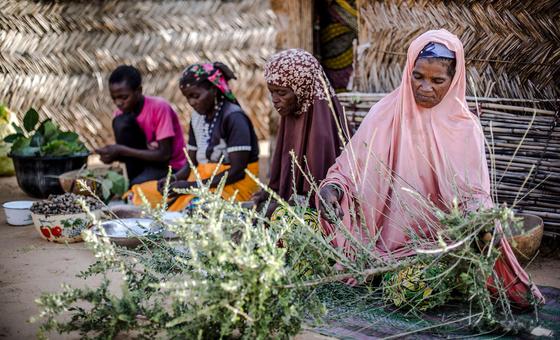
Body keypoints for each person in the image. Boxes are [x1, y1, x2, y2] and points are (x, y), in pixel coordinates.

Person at [317, 29, 543, 306]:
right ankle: (377, 270)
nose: (425, 87)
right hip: (374, 245)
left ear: (454, 80)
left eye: (438, 80)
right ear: (408, 70)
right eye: (418, 76)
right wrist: (331, 189)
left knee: (408, 289)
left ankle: (407, 277)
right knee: (290, 221)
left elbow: (474, 197)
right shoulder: (384, 114)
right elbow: (348, 169)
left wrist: (481, 223)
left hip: (436, 248)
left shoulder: (465, 129)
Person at [128, 62, 260, 211]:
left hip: (232, 185)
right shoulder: (197, 118)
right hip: (201, 182)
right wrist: (174, 179)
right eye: (188, 97)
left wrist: (190, 187)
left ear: (213, 89)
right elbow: (191, 165)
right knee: (138, 194)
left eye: (196, 96)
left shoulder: (234, 117)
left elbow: (237, 172)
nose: (191, 102)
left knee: (195, 207)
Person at [251, 49, 347, 215]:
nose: (274, 99)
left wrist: (280, 208)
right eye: (271, 91)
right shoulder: (293, 114)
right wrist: (271, 193)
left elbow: (317, 198)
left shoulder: (321, 133)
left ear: (302, 89)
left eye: (281, 92)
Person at [96, 65, 186, 186]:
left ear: (139, 91)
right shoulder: (120, 115)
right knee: (120, 121)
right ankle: (136, 180)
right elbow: (131, 153)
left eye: (124, 97)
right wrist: (112, 156)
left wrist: (121, 150)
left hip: (171, 167)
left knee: (137, 186)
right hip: (145, 164)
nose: (118, 103)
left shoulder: (159, 107)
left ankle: (136, 182)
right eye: (114, 98)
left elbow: (165, 154)